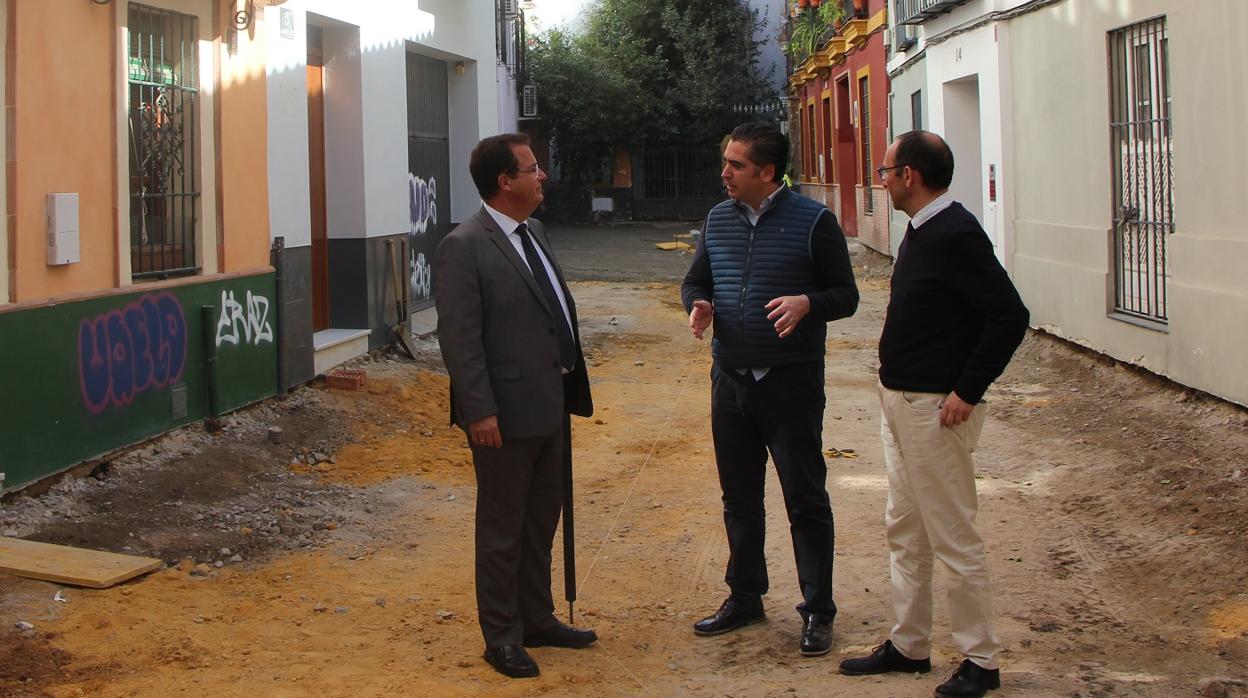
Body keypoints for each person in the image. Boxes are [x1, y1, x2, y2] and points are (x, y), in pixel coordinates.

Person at [838, 130, 1029, 698]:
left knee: (952, 535)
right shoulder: (922, 230)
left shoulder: (954, 233)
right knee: (906, 529)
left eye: (885, 169)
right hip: (900, 404)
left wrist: (967, 391)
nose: (882, 177)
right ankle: (909, 644)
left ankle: (980, 660)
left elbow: (1009, 315)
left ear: (910, 177)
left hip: (935, 412)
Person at [681, 122, 859, 657]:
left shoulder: (814, 221)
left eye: (736, 165)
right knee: (739, 498)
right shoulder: (717, 219)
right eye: (726, 162)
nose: (725, 173)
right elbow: (697, 280)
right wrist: (698, 304)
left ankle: (818, 610)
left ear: (766, 171)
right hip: (730, 380)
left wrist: (809, 303)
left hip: (790, 383)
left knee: (804, 499)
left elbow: (845, 296)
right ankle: (745, 595)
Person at [434, 133, 596, 679]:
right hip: (502, 413)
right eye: (532, 169)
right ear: (505, 182)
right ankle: (501, 635)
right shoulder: (465, 246)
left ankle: (536, 617)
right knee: (503, 527)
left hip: (550, 404)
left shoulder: (536, 232)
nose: (541, 176)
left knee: (540, 520)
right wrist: (479, 410)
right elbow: (460, 339)